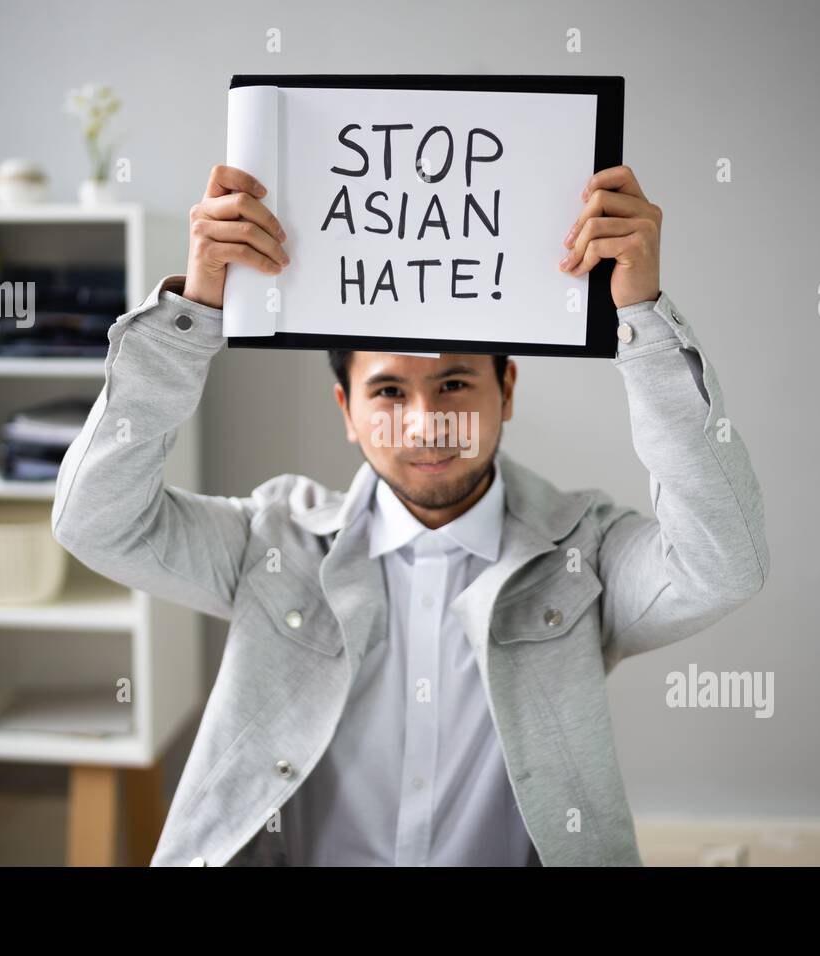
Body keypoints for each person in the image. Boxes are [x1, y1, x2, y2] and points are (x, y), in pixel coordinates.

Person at [51, 163, 769, 866]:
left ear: (506, 390)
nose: (426, 425)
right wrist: (195, 313)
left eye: (454, 382)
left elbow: (722, 562)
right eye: (390, 391)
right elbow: (96, 519)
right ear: (348, 413)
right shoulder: (269, 544)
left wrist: (640, 320)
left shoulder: (585, 556)